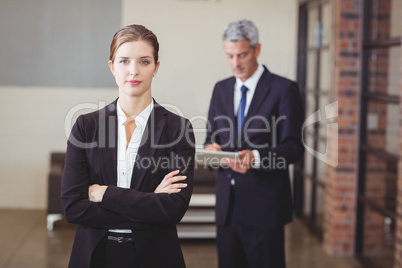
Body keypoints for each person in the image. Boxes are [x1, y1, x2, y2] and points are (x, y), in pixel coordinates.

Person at [61, 24, 195, 268]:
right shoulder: (86, 126)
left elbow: (174, 209)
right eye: (124, 61)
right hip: (94, 256)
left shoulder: (178, 129)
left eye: (144, 61)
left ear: (156, 67)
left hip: (156, 257)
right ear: (112, 66)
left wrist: (105, 194)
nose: (133, 71)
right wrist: (150, 202)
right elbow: (73, 207)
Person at [204, 19, 304, 268]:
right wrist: (210, 150)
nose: (235, 63)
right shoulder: (220, 89)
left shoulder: (284, 89)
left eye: (242, 55)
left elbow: (293, 148)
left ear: (257, 49)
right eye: (229, 56)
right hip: (227, 209)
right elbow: (211, 138)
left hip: (264, 209)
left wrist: (256, 158)